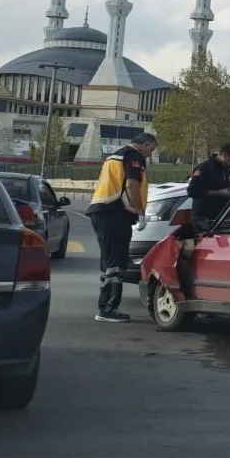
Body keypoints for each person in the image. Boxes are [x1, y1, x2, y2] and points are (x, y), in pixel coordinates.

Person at [87, 132, 157, 323]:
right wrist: (140, 211)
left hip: (102, 211)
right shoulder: (133, 156)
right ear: (143, 145)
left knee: (109, 262)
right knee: (117, 262)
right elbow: (132, 184)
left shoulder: (115, 156)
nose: (149, 155)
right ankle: (108, 308)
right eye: (150, 150)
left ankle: (105, 306)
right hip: (115, 213)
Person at [187, 141, 230, 231]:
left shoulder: (226, 169)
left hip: (220, 217)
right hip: (204, 220)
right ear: (225, 155)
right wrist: (219, 193)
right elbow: (192, 191)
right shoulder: (205, 168)